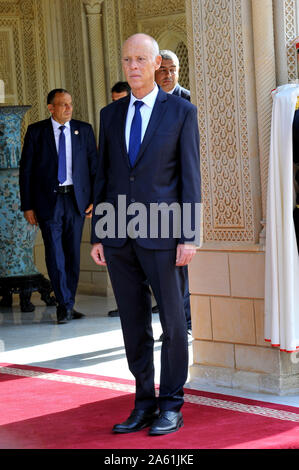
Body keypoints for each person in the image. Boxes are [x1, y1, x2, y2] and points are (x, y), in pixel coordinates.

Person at [91, 33, 201, 436]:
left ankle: (172, 404)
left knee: (173, 324)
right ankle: (143, 403)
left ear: (156, 63)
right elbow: (105, 175)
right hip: (119, 236)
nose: (132, 66)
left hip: (166, 236)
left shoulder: (181, 112)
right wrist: (99, 235)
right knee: (133, 324)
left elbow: (191, 177)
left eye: (140, 59)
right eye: (127, 60)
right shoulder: (110, 114)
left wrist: (190, 235)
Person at [19, 88, 98, 324]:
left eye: (70, 104)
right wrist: (28, 206)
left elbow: (94, 167)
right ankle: (63, 305)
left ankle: (68, 303)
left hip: (76, 201)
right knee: (55, 254)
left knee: (73, 255)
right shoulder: (36, 132)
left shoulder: (83, 130)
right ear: (50, 108)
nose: (68, 108)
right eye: (62, 104)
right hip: (48, 203)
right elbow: (27, 171)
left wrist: (94, 198)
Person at [155, 50, 192, 339]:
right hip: (154, 203)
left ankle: (185, 322)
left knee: (183, 264)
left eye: (173, 69)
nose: (168, 75)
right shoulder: (147, 104)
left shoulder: (188, 102)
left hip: (183, 196)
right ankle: (174, 323)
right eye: (163, 69)